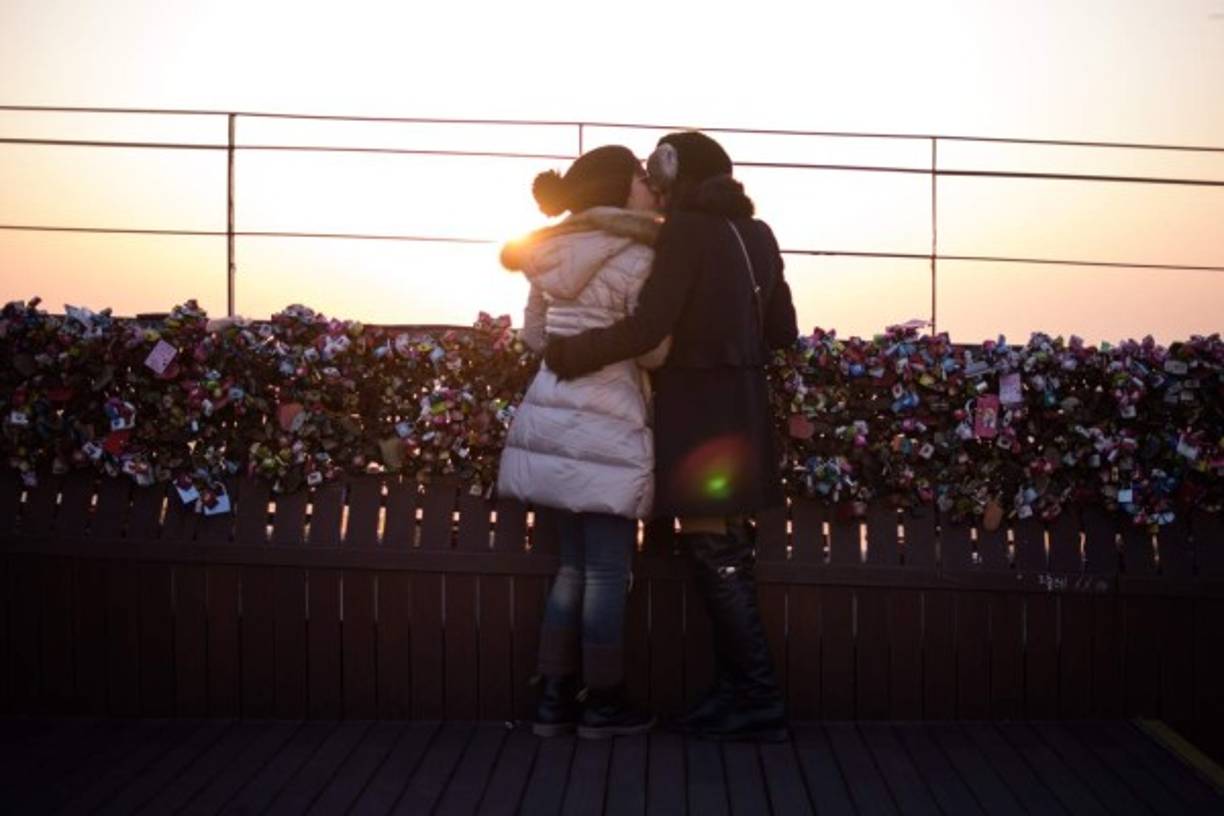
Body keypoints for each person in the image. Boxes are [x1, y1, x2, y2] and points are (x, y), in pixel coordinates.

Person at [544, 131, 798, 742]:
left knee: (718, 561)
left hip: (700, 418)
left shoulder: (686, 232)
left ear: (682, 176)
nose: (655, 183)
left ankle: (759, 698)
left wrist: (575, 352)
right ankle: (739, 690)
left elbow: (649, 325)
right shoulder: (758, 235)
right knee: (727, 556)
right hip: (744, 414)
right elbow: (783, 329)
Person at [497, 144, 666, 739]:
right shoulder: (639, 254)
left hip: (551, 416)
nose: (649, 187)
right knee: (606, 572)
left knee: (571, 567)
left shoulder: (547, 252)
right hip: (608, 421)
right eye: (641, 178)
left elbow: (535, 336)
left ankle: (551, 698)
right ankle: (605, 700)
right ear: (620, 188)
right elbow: (652, 348)